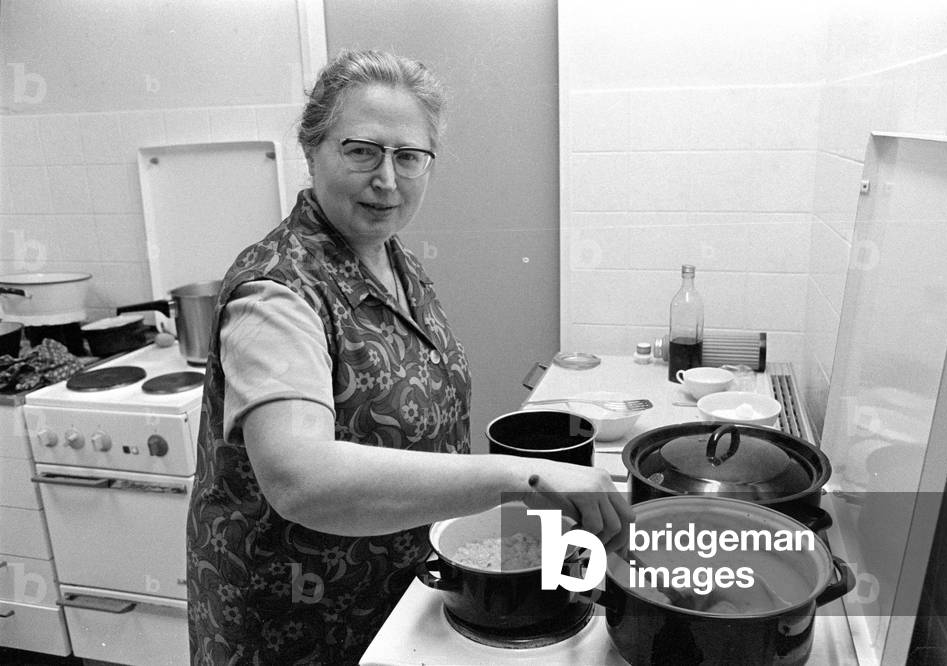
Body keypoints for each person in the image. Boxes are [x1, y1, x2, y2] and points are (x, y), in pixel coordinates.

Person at [186, 49, 633, 664]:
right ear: (312, 150)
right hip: (299, 623)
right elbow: (300, 479)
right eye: (361, 150)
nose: (387, 179)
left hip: (395, 601)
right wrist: (517, 478)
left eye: (409, 156)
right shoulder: (277, 290)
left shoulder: (396, 262)